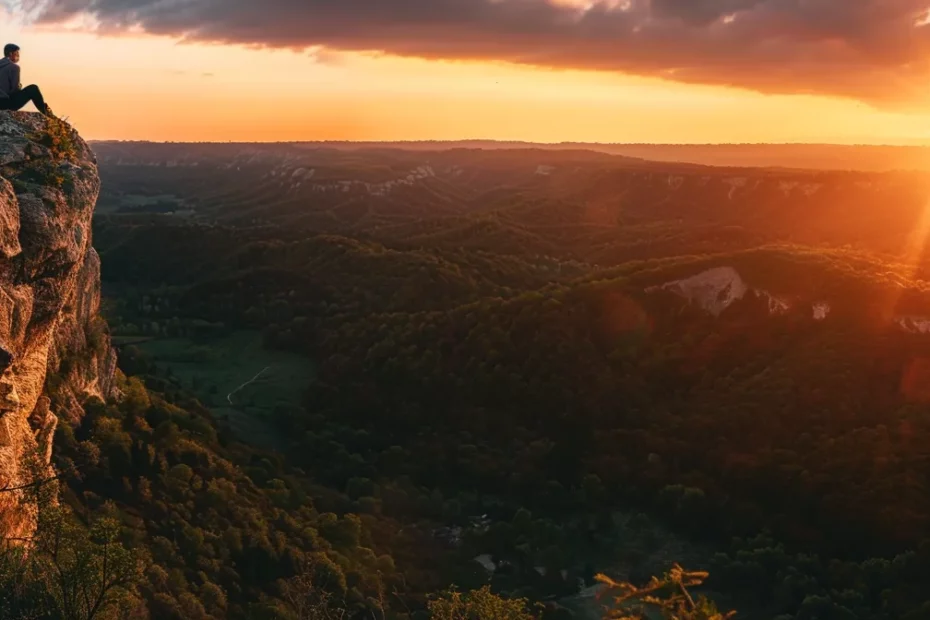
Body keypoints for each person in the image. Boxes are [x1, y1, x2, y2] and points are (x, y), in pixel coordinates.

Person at [0, 44, 54, 116]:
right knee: (33, 88)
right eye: (17, 53)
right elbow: (14, 90)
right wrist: (19, 87)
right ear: (11, 53)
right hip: (5, 104)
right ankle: (46, 113)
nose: (18, 56)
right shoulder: (14, 67)